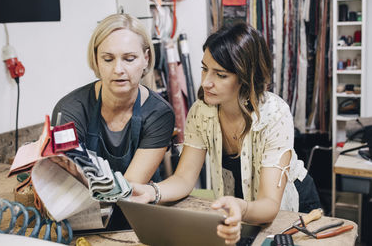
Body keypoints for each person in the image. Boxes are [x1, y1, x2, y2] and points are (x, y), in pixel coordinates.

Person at [131, 22, 320, 244]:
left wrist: (241, 207)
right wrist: (152, 192)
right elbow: (184, 177)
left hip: (291, 208)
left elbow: (269, 205)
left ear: (245, 77)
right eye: (204, 69)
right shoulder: (202, 111)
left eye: (220, 75)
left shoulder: (275, 115)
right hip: (240, 204)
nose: (206, 82)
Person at [52, 13, 175, 184]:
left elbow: (131, 189)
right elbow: (67, 180)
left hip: (139, 208)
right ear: (96, 60)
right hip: (86, 207)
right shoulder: (69, 110)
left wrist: (83, 176)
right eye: (108, 59)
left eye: (129, 59)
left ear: (146, 59)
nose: (118, 69)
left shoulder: (159, 114)